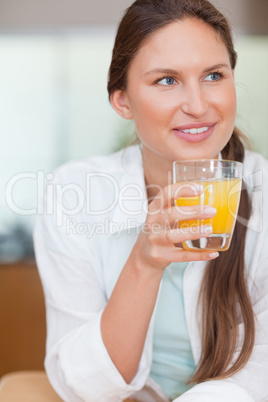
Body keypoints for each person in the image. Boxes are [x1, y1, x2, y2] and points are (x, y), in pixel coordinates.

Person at [34, 0, 268, 401]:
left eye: (213, 75)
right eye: (166, 80)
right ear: (122, 101)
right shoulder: (71, 194)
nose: (197, 106)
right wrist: (144, 261)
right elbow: (82, 385)